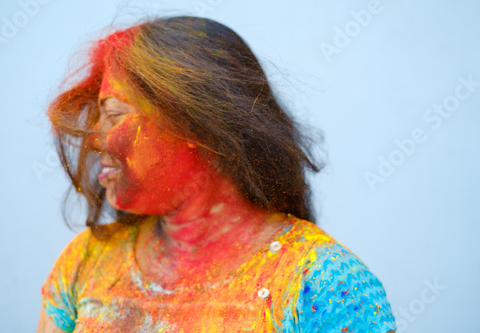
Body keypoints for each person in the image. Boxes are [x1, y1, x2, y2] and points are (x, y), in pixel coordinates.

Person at [37, 16, 396, 332]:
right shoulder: (87, 261)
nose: (96, 140)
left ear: (194, 125)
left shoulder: (323, 285)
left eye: (114, 115)